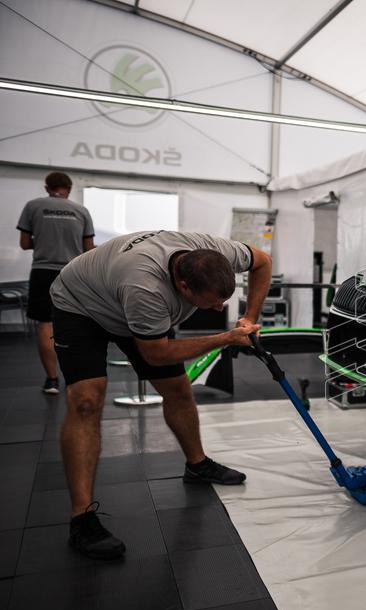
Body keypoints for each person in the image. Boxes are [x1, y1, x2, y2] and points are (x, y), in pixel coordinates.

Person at [50, 230, 272, 559]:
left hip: (127, 298)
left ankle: (197, 465)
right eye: (212, 301)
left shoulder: (217, 250)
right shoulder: (146, 288)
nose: (219, 306)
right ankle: (81, 518)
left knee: (179, 391)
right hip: (81, 304)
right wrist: (226, 338)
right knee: (86, 402)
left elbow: (263, 261)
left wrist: (250, 317)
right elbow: (157, 354)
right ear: (183, 287)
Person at [16, 172, 95, 394]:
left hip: (43, 270)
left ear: (47, 187)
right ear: (69, 188)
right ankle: (79, 378)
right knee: (78, 324)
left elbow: (23, 244)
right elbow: (89, 249)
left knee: (45, 324)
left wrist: (44, 242)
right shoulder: (81, 210)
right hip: (73, 272)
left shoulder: (33, 206)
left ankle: (52, 381)